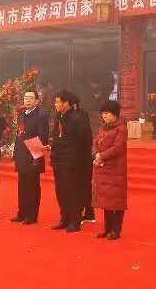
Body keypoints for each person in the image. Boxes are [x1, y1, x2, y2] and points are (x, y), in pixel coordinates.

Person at [49, 90, 87, 232]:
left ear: (66, 103)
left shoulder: (76, 119)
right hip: (58, 160)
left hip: (71, 162)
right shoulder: (58, 117)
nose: (56, 104)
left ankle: (75, 221)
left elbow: (79, 142)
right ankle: (64, 218)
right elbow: (57, 137)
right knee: (61, 191)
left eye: (58, 101)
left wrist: (74, 160)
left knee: (72, 191)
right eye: (56, 101)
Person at [11, 87, 49, 224]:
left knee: (32, 187)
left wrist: (35, 157)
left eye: (30, 98)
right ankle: (22, 213)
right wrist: (15, 154)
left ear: (37, 101)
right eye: (25, 98)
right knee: (22, 186)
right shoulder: (22, 115)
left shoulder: (41, 116)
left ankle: (32, 216)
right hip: (21, 155)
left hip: (33, 156)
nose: (27, 100)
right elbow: (18, 136)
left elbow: (42, 137)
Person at [92, 100, 128, 240]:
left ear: (114, 114)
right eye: (103, 114)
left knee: (116, 201)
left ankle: (116, 230)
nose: (104, 116)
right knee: (106, 200)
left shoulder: (121, 129)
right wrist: (96, 154)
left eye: (106, 113)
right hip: (102, 167)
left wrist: (102, 155)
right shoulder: (103, 128)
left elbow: (118, 148)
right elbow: (94, 143)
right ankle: (107, 229)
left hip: (115, 169)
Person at [74, 96, 95, 225]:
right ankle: (89, 212)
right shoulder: (81, 115)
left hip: (82, 158)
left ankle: (84, 212)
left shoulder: (78, 117)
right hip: (84, 157)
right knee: (85, 186)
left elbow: (83, 137)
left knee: (82, 186)